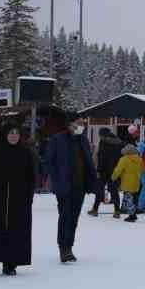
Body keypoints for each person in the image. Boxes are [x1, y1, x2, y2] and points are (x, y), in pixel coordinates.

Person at [40, 107, 98, 263]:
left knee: (74, 218)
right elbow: (48, 162)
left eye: (82, 124)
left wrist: (93, 181)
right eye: (78, 123)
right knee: (65, 217)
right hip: (64, 186)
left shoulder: (83, 140)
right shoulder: (57, 140)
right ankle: (64, 249)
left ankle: (69, 246)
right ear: (70, 125)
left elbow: (88, 163)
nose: (81, 126)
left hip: (80, 185)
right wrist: (53, 178)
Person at [0, 120, 36, 276]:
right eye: (11, 133)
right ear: (5, 134)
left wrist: (28, 195)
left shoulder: (25, 153)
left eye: (17, 133)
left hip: (19, 199)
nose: (14, 136)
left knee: (16, 230)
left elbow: (31, 177)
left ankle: (11, 263)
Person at [111, 143, 143, 221]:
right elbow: (143, 169)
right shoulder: (139, 159)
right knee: (134, 199)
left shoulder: (124, 159)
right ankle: (134, 213)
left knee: (128, 199)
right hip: (137, 181)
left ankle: (132, 216)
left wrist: (113, 177)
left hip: (127, 182)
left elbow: (118, 170)